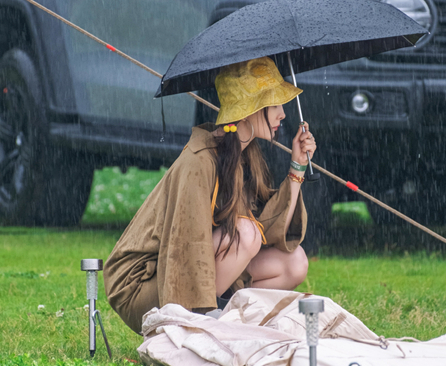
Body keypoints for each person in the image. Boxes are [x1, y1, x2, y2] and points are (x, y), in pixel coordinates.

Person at [103, 56, 317, 333]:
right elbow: (186, 244)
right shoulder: (199, 160)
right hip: (143, 282)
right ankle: (200, 325)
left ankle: (224, 322)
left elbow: (269, 231)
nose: (283, 114)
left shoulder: (243, 153)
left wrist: (297, 168)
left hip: (192, 267)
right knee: (246, 233)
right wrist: (194, 320)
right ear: (248, 108)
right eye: (274, 104)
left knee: (294, 263)